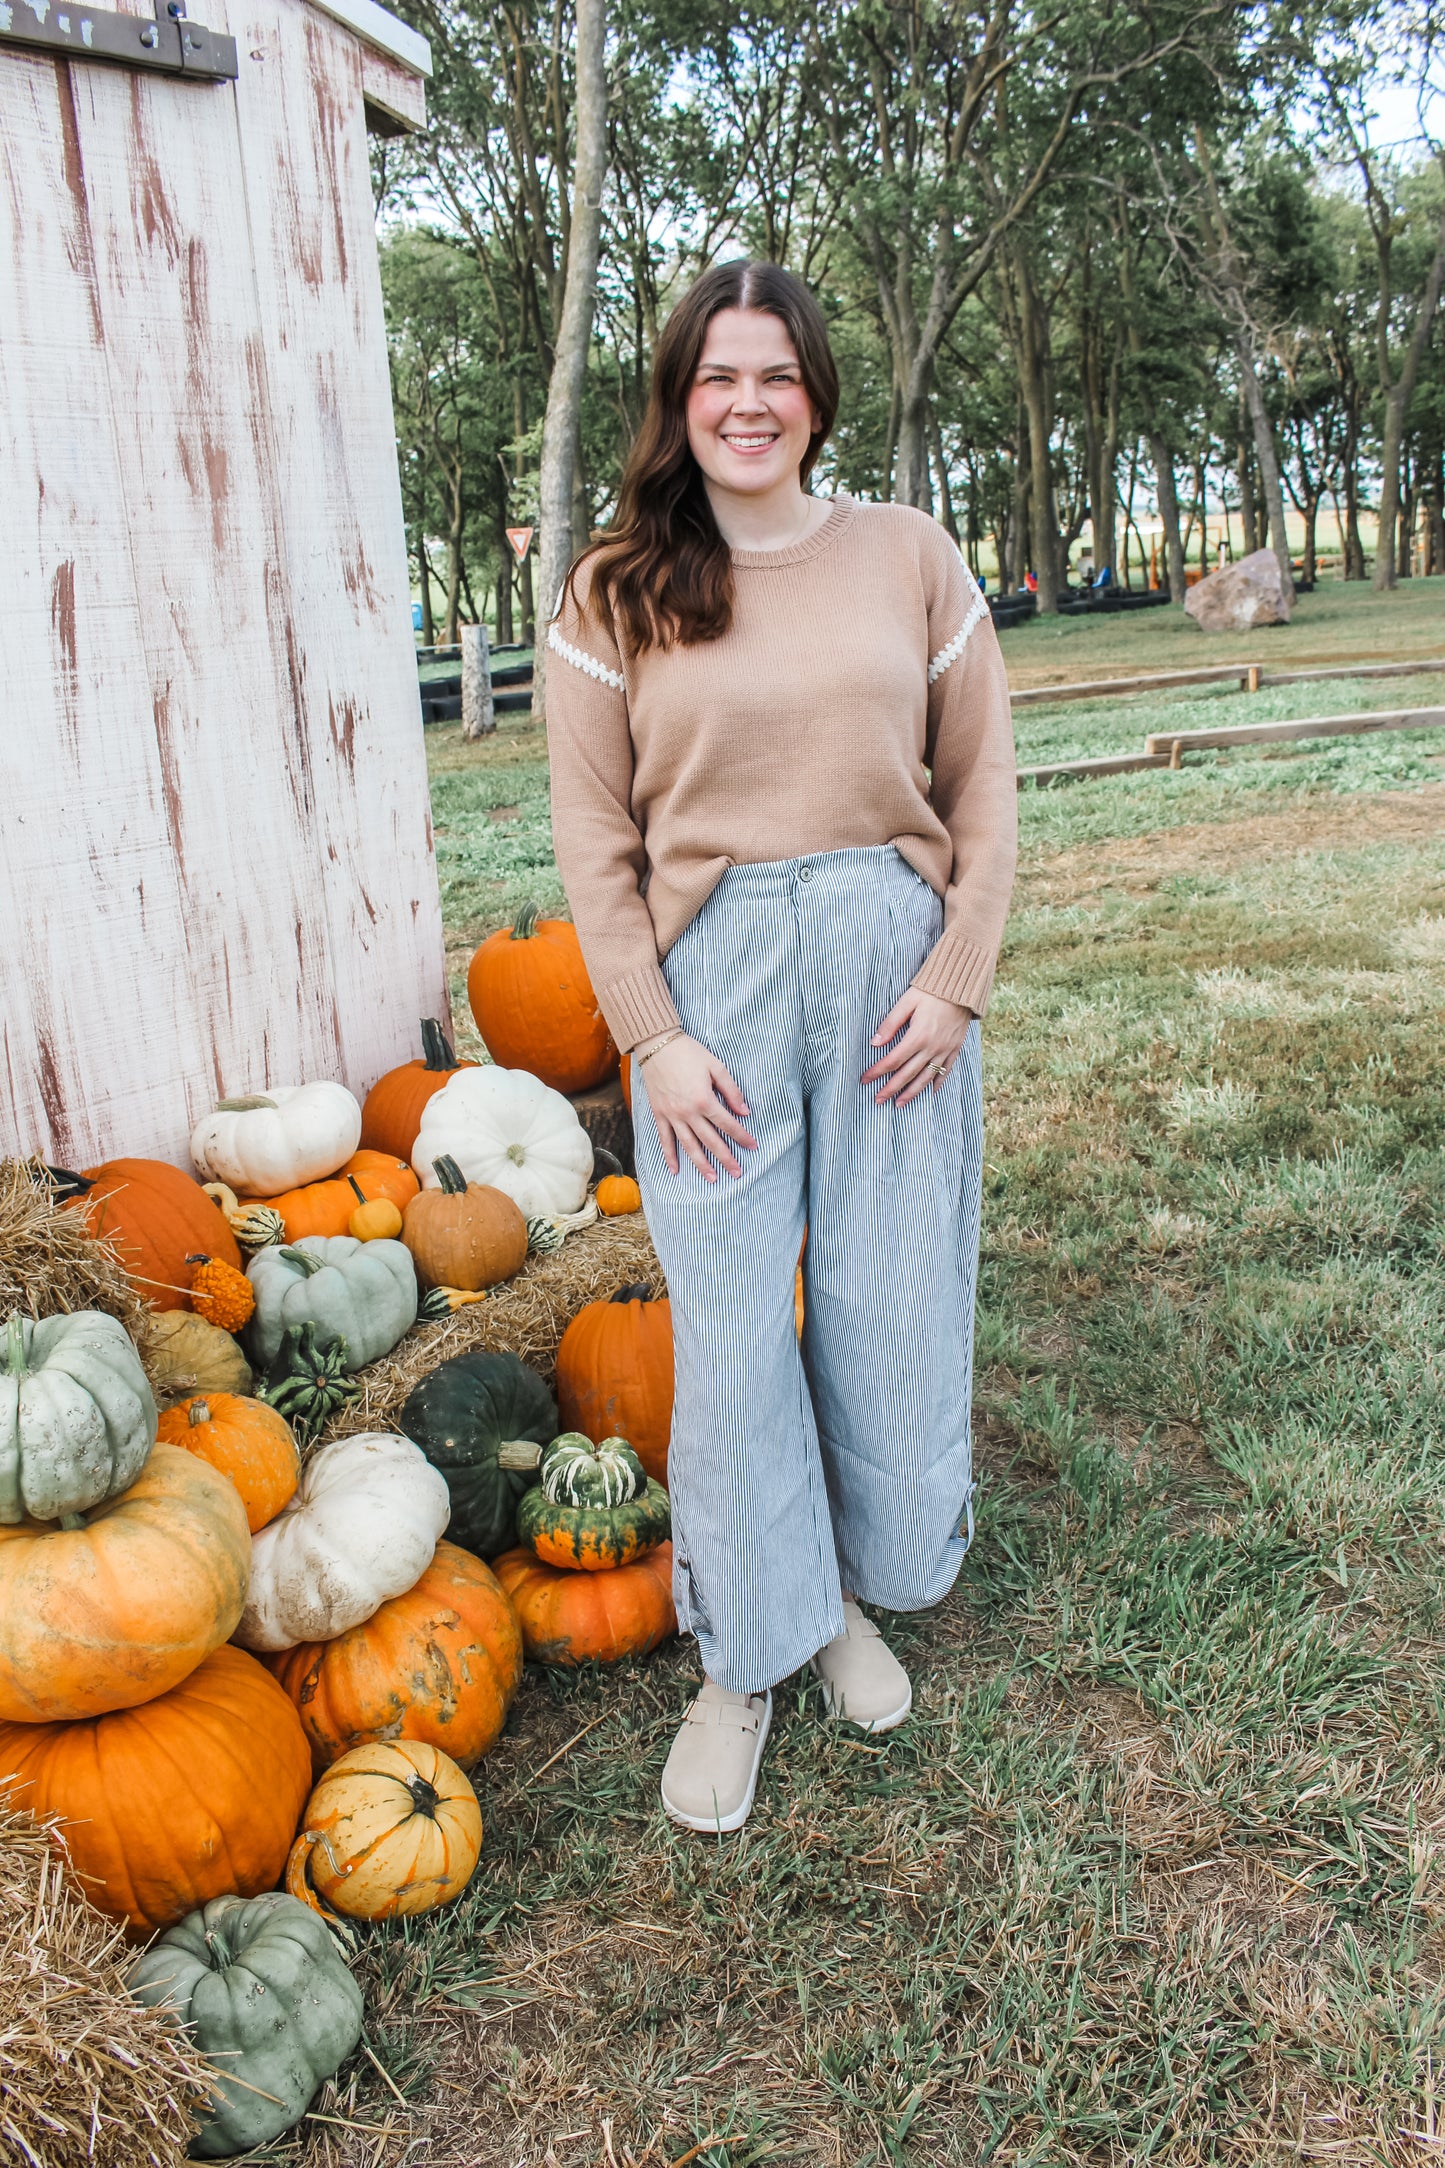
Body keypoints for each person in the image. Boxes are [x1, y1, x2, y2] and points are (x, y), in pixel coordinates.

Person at [545, 261, 1017, 1833]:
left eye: (775, 375)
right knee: (737, 1330)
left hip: (891, 978)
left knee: (883, 1300)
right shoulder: (617, 589)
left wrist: (952, 978)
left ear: (815, 394)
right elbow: (593, 844)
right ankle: (745, 1653)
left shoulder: (907, 557)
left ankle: (844, 1598)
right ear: (679, 400)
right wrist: (653, 1039)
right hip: (715, 993)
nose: (747, 404)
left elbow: (983, 785)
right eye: (716, 377)